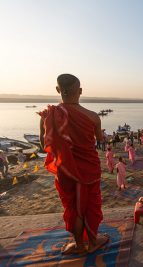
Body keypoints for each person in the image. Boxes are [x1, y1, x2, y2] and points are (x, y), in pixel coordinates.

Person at [38, 74, 108, 255]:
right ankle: (93, 241)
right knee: (91, 204)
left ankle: (79, 245)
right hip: (90, 168)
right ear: (81, 91)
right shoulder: (93, 117)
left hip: (65, 169)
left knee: (74, 207)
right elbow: (99, 140)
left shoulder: (49, 115)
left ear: (57, 90)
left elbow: (44, 144)